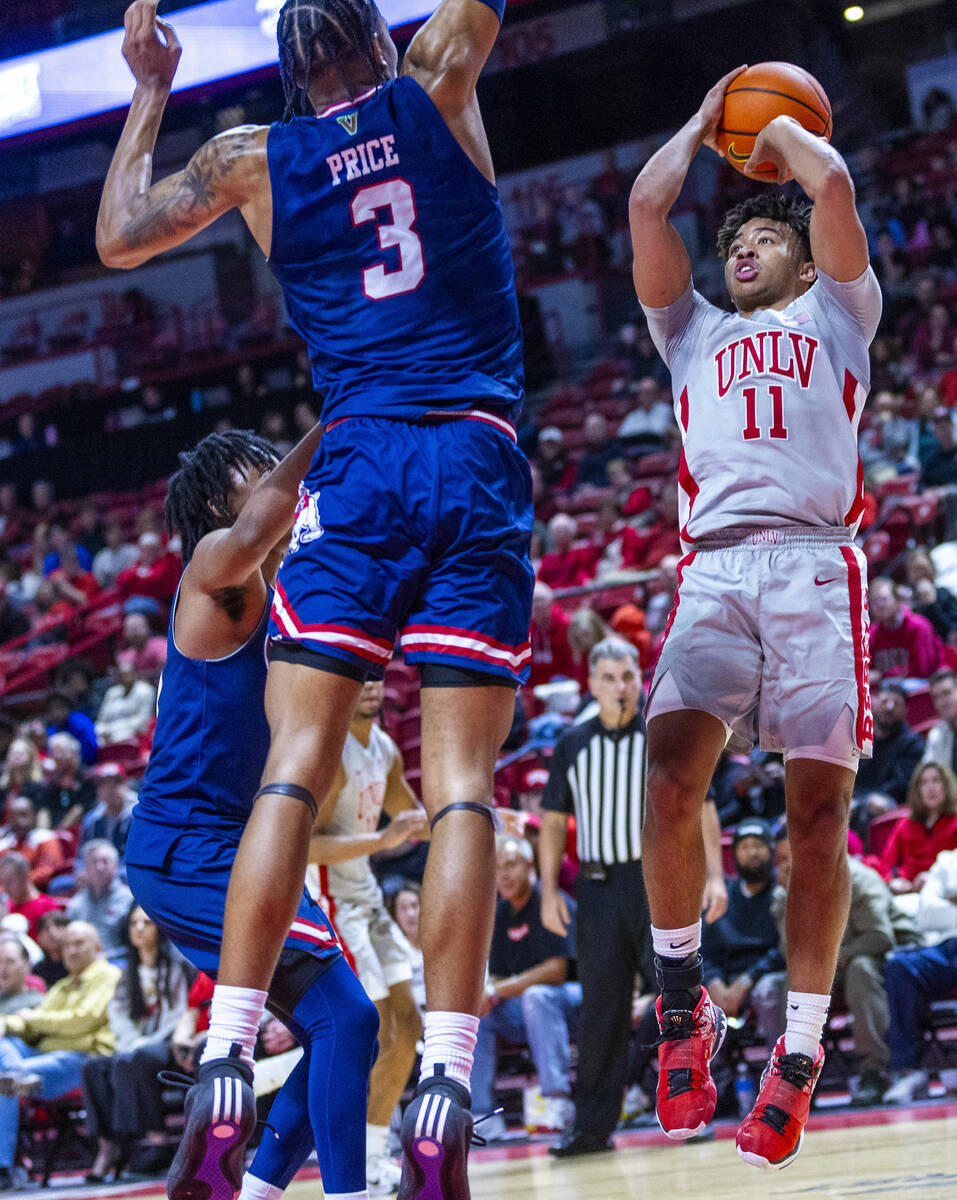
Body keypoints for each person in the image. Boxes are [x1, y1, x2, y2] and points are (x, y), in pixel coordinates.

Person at [98, 2, 534, 1196]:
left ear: (291, 75)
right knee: (460, 793)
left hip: (359, 460)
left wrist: (148, 87)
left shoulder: (252, 159)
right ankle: (447, 1080)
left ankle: (231, 1057)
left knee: (293, 764)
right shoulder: (437, 79)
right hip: (476, 452)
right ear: (382, 45)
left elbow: (124, 236)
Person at [630, 66, 882, 1169]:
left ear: (795, 251)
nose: (739, 248)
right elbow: (646, 208)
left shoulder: (841, 308)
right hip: (716, 571)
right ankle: (684, 1001)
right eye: (730, 239)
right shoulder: (687, 330)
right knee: (667, 774)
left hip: (818, 570)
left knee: (816, 825)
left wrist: (773, 128)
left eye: (758, 237)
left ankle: (800, 1051)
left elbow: (830, 188)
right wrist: (703, 123)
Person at [123, 428, 379, 1200]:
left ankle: (258, 1189)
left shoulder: (287, 593)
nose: (271, 474)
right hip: (189, 846)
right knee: (342, 1019)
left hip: (247, 844)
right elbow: (256, 525)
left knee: (347, 1028)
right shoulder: (211, 572)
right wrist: (335, 419)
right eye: (254, 468)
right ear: (211, 501)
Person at [539, 637, 726, 1157]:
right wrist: (549, 890)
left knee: (680, 997)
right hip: (597, 890)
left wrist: (715, 877)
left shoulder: (658, 736)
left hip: (656, 881)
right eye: (610, 678)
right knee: (601, 1009)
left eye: (628, 676)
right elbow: (553, 821)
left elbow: (701, 803)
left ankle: (694, 1109)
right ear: (592, 684)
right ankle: (592, 1128)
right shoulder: (572, 744)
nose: (622, 687)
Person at [307, 679, 427, 1193]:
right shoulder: (330, 754)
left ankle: (375, 1160)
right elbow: (304, 846)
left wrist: (484, 816)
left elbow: (415, 820)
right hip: (334, 902)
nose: (373, 684)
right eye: (361, 676)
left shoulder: (385, 749)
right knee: (377, 1034)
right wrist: (380, 840)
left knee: (409, 1027)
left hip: (369, 898)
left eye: (379, 675)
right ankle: (349, 1161)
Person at [753, 829, 908, 1108]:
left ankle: (874, 1072)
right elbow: (791, 952)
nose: (788, 865)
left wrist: (829, 959)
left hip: (877, 956)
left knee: (862, 971)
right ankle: (793, 1075)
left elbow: (880, 937)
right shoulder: (783, 892)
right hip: (827, 966)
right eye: (782, 859)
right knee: (772, 987)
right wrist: (792, 898)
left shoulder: (858, 878)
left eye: (793, 855)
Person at [472, 835, 579, 1141]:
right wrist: (487, 991)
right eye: (497, 868)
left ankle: (557, 1101)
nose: (503, 874)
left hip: (573, 1002)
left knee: (538, 996)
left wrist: (498, 989)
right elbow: (497, 977)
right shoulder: (499, 914)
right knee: (480, 1009)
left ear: (531, 865)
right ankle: (482, 1114)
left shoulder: (551, 901)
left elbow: (557, 972)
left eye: (510, 865)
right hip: (526, 1009)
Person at [0, 921, 120, 1192]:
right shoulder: (63, 987)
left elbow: (83, 1020)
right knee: (4, 1047)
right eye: (65, 945)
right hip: (46, 1060)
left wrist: (39, 1022)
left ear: (98, 946)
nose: (71, 951)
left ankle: (6, 1166)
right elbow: (32, 1024)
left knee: (6, 1078)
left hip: (84, 1060)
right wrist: (7, 1024)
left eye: (78, 944)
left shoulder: (108, 976)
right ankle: (5, 1166)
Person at [81, 904, 192, 1181]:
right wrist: (133, 1042)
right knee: (93, 1067)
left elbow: (177, 1015)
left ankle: (156, 1139)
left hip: (167, 1045)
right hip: (131, 1046)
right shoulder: (126, 973)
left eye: (146, 923)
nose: (139, 929)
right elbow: (117, 1017)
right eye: (134, 924)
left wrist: (143, 1043)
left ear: (159, 929)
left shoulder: (176, 967)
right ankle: (108, 1147)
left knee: (139, 1059)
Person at [701, 819, 783, 1021]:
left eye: (758, 845)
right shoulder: (722, 896)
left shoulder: (783, 892)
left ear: (771, 851)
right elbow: (706, 950)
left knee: (768, 991)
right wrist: (714, 981)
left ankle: (782, 1053)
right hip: (726, 978)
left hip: (767, 976)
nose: (752, 853)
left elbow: (785, 949)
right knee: (695, 1001)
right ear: (734, 854)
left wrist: (748, 979)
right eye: (745, 847)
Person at [851, 681, 925, 839]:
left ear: (906, 711)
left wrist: (865, 799)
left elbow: (900, 786)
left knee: (874, 807)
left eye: (896, 703)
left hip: (890, 801)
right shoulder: (858, 736)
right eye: (885, 701)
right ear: (874, 703)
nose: (889, 707)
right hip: (856, 796)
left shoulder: (913, 743)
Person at [878, 762, 957, 894]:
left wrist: (933, 879)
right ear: (917, 790)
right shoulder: (904, 824)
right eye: (924, 782)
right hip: (904, 891)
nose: (930, 788)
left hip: (942, 891)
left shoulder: (954, 823)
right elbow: (886, 863)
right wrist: (892, 880)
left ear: (947, 785)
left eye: (936, 780)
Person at [66, 841, 133, 962]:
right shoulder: (76, 903)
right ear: (85, 868)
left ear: (116, 866)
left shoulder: (129, 900)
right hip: (83, 964)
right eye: (93, 862)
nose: (99, 867)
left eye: (105, 862)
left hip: (119, 963)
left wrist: (107, 956)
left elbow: (136, 945)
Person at [869, 577, 943, 680]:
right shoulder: (871, 634)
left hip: (926, 684)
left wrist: (882, 675)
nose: (879, 606)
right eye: (874, 601)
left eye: (884, 599)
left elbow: (922, 670)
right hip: (888, 687)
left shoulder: (918, 627)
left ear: (897, 601)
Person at [0, 796, 65, 890]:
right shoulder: (5, 844)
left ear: (34, 816)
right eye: (12, 816)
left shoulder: (46, 838)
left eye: (23, 815)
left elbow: (46, 872)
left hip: (37, 893)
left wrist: (13, 884)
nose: (17, 821)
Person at [80, 764, 137, 860]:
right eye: (104, 785)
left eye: (115, 783)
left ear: (126, 786)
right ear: (98, 791)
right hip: (97, 871)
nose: (111, 790)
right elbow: (82, 857)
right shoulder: (92, 820)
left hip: (128, 871)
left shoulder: (139, 816)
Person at [94, 659, 157, 746]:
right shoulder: (112, 692)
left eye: (128, 674)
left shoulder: (146, 691)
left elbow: (143, 722)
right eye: (122, 675)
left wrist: (112, 729)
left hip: (134, 736)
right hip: (108, 737)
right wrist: (103, 731)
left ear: (135, 674)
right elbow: (100, 722)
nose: (125, 678)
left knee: (120, 737)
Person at [0, 855, 60, 942]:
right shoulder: (6, 908)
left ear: (25, 876)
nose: (6, 888)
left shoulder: (46, 906)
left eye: (10, 881)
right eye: (3, 882)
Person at [923, 667, 957, 773]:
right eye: (936, 697)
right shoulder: (936, 735)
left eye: (946, 693)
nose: (942, 702)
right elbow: (929, 773)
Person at [0, 936, 44, 1017]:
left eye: (10, 961)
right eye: (0, 961)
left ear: (27, 965)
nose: (3, 968)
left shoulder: (38, 1003)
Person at [33, 910, 68, 989]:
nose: (52, 932)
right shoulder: (37, 970)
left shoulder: (77, 965)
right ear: (39, 938)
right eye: (46, 928)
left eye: (58, 925)